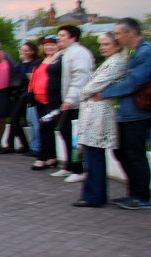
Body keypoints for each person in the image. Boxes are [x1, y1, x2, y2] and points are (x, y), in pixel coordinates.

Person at [100, 17, 151, 209]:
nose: (117, 36)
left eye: (119, 33)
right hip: (127, 112)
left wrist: (104, 93)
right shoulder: (133, 51)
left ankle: (141, 196)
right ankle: (134, 193)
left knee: (134, 153)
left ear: (131, 32)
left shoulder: (145, 52)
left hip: (138, 113)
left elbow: (134, 82)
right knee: (121, 151)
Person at [73, 32, 126, 207]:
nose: (102, 47)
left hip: (101, 115)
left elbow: (91, 87)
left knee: (95, 155)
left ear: (117, 45)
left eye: (107, 44)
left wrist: (84, 93)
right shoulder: (110, 61)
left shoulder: (117, 62)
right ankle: (93, 194)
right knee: (92, 155)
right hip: (94, 114)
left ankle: (94, 196)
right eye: (101, 44)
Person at [49, 24, 95, 181]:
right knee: (65, 134)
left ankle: (78, 169)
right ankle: (69, 166)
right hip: (63, 101)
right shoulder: (65, 53)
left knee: (73, 137)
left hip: (73, 103)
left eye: (62, 35)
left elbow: (80, 78)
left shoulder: (79, 53)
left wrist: (70, 99)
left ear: (73, 38)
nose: (58, 39)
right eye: (58, 35)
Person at [30, 36, 63, 170]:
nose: (49, 47)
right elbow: (33, 79)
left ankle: (42, 158)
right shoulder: (39, 62)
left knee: (44, 128)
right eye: (46, 45)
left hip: (52, 100)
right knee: (45, 129)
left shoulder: (59, 61)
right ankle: (52, 157)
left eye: (52, 45)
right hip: (38, 100)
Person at [1, 41, 38, 155]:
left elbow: (29, 78)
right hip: (18, 93)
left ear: (32, 52)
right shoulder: (21, 62)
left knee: (15, 118)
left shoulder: (34, 63)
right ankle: (12, 144)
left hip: (26, 94)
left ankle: (22, 144)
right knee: (14, 119)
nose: (23, 52)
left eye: (26, 50)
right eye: (22, 50)